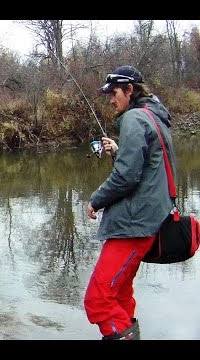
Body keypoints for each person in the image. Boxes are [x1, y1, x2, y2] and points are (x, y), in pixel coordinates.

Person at [84, 65, 177, 340]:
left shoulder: (134, 118)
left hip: (134, 224)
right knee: (120, 293)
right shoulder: (154, 116)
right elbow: (148, 165)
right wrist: (119, 150)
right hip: (150, 219)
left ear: (129, 90)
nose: (111, 100)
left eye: (114, 93)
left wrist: (96, 200)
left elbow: (126, 176)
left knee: (98, 300)